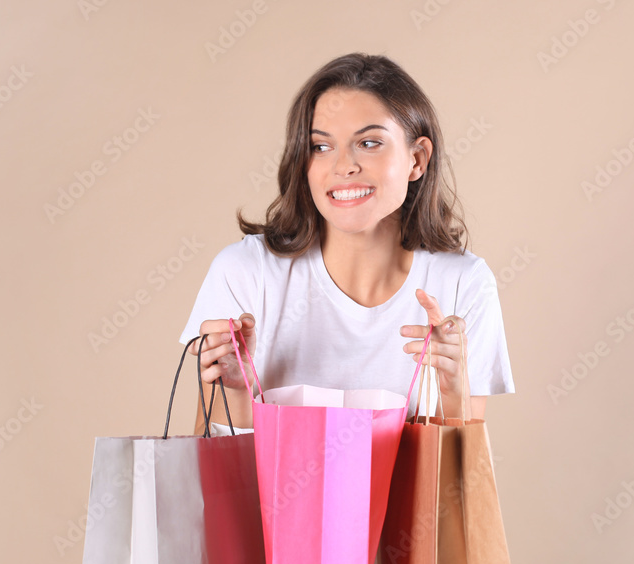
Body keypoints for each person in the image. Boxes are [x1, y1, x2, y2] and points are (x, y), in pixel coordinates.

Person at [178, 52, 513, 432]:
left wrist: (454, 392)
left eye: (369, 143)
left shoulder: (464, 283)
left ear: (417, 159)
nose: (343, 166)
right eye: (321, 147)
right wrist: (237, 391)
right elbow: (218, 474)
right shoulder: (244, 272)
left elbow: (457, 482)